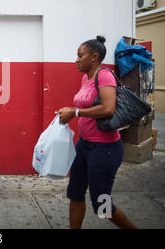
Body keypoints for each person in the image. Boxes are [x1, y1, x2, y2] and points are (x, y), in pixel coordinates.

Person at [58, 35, 137, 229]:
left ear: (94, 57)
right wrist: (70, 112)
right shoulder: (86, 78)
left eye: (80, 55)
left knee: (101, 204)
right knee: (75, 193)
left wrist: (75, 112)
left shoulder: (104, 75)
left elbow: (108, 108)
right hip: (84, 146)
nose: (76, 59)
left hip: (105, 149)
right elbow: (88, 106)